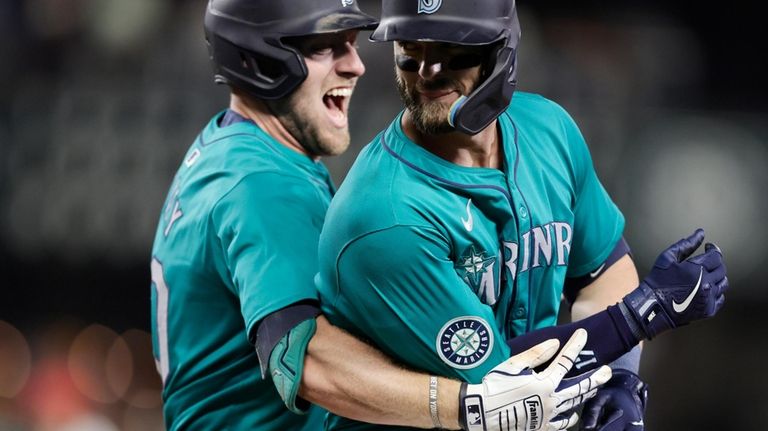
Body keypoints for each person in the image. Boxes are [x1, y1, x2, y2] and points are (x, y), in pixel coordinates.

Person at [149, 0, 613, 430]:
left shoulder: (232, 152)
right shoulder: (263, 187)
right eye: (324, 48)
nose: (355, 65)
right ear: (259, 60)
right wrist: (461, 404)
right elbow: (305, 359)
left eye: (350, 43)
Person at [315, 0, 729, 430]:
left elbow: (600, 272)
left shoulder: (548, 129)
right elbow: (496, 386)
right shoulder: (385, 215)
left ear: (501, 51)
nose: (427, 72)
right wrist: (639, 314)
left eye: (451, 51)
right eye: (410, 52)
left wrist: (619, 378)